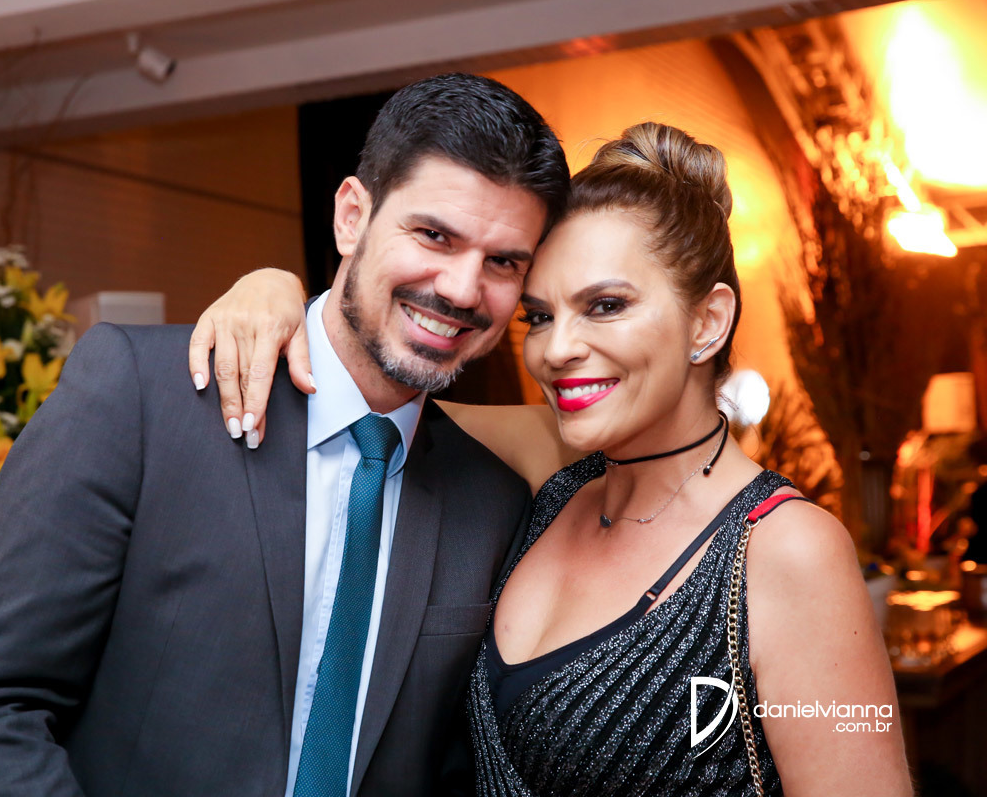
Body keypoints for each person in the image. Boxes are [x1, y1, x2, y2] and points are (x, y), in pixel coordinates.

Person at [192, 123, 914, 795]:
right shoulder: (553, 467)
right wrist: (275, 294)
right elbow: (362, 390)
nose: (557, 349)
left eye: (606, 305)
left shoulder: (789, 549)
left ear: (707, 321)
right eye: (539, 316)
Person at [0, 73, 570, 796]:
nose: (460, 289)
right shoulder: (143, 398)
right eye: (434, 235)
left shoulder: (490, 501)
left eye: (502, 262)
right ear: (351, 217)